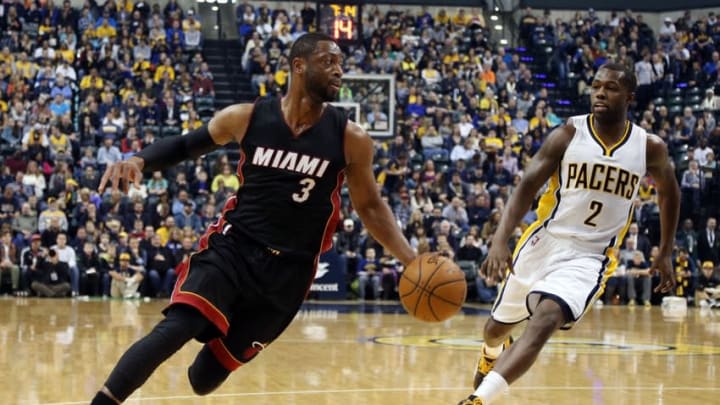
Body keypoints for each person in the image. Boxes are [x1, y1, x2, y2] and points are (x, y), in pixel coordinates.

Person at [91, 32, 416, 404]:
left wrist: (410, 259)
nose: (339, 71)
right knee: (178, 326)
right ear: (299, 66)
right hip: (233, 248)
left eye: (341, 63)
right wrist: (139, 160)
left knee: (204, 378)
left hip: (289, 274)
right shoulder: (246, 117)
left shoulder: (350, 138)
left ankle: (217, 322)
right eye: (329, 61)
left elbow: (370, 206)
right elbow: (185, 145)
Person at [457, 63, 680, 405]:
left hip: (591, 257)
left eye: (611, 88)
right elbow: (527, 186)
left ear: (630, 97)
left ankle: (477, 400)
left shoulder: (649, 147)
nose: (601, 93)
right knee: (495, 330)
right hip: (544, 242)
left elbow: (670, 193)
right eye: (596, 86)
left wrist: (665, 250)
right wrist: (500, 240)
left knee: (546, 318)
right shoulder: (568, 134)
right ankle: (490, 352)